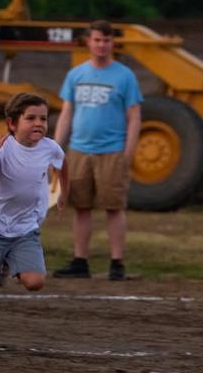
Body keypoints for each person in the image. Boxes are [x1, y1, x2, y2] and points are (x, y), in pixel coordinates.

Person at [0, 93, 67, 354]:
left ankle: (8, 262)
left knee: (35, 282)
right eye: (30, 118)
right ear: (12, 123)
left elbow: (63, 165)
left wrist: (64, 192)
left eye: (43, 118)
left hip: (24, 229)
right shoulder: (2, 150)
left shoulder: (50, 147)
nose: (39, 124)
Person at [52, 20, 142, 281]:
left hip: (112, 151)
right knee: (81, 206)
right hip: (79, 150)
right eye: (97, 40)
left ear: (112, 43)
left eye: (107, 40)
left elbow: (134, 116)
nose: (102, 45)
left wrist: (128, 153)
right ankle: (80, 261)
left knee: (113, 207)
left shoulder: (124, 76)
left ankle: (117, 263)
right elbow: (67, 113)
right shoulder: (76, 75)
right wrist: (57, 149)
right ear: (88, 42)